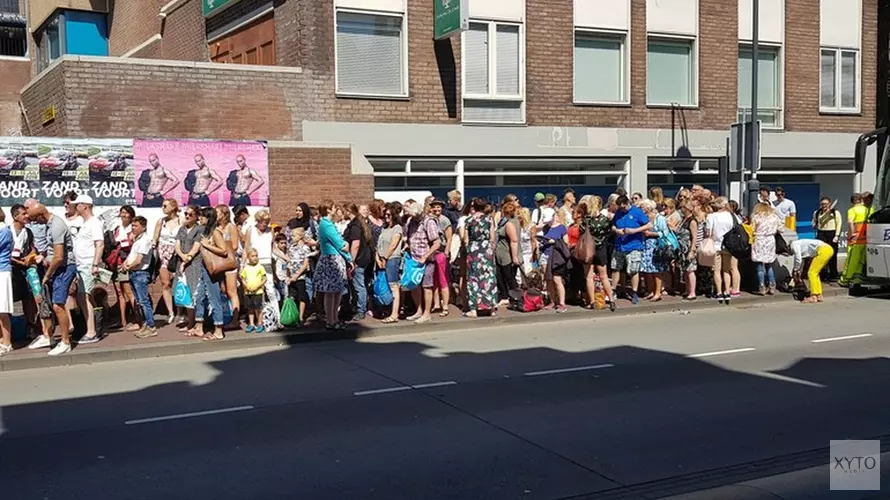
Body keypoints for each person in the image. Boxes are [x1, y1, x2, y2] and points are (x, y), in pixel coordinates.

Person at [26, 203, 77, 356]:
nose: (35, 222)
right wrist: (42, 257)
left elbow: (59, 257)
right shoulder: (50, 225)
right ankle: (49, 337)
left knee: (57, 305)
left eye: (35, 219)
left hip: (64, 268)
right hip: (56, 268)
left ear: (41, 215)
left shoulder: (56, 226)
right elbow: (52, 251)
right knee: (47, 303)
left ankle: (65, 341)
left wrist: (47, 275)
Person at [71, 194, 105, 344]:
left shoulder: (94, 223)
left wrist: (95, 264)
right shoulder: (86, 223)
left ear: (85, 206)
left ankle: (92, 331)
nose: (75, 207)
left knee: (85, 296)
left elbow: (100, 244)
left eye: (77, 204)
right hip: (81, 264)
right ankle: (90, 328)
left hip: (88, 264)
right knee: (83, 296)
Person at [314, 200, 352, 330]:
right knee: (331, 292)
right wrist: (349, 257)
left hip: (335, 258)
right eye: (334, 208)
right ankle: (331, 320)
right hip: (331, 259)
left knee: (337, 291)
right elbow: (340, 244)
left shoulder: (327, 224)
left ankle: (334, 319)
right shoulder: (326, 225)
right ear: (329, 210)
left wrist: (346, 251)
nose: (336, 210)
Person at [120, 216, 157, 338]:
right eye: (132, 226)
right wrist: (125, 264)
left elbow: (139, 260)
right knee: (139, 301)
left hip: (140, 273)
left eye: (136, 226)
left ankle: (151, 326)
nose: (133, 228)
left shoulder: (145, 240)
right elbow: (132, 256)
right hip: (134, 273)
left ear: (144, 227)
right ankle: (146, 325)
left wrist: (128, 267)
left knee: (143, 301)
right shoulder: (137, 240)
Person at [405, 201, 440, 324]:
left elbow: (437, 243)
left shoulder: (428, 222)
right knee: (414, 285)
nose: (412, 217)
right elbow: (407, 236)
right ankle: (418, 310)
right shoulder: (410, 221)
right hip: (413, 258)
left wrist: (425, 256)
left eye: (414, 215)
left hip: (426, 260)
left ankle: (427, 313)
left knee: (426, 286)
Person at [611, 194, 650, 305]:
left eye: (624, 207)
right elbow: (613, 225)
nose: (622, 209)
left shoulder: (637, 212)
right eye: (620, 208)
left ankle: (634, 292)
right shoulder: (618, 213)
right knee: (616, 268)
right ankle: (613, 290)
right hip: (619, 245)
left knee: (633, 270)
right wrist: (616, 230)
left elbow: (648, 225)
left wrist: (635, 230)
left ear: (628, 204)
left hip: (634, 245)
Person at [462, 198, 497, 317]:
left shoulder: (469, 220)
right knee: (489, 277)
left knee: (473, 278)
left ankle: (474, 309)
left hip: (474, 249)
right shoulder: (489, 219)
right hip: (486, 248)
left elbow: (465, 240)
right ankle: (491, 308)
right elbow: (492, 238)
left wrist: (469, 249)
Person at [706, 197, 740, 304]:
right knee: (727, 270)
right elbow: (739, 226)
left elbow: (708, 232)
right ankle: (727, 291)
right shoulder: (732, 216)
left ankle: (719, 292)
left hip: (716, 245)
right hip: (729, 246)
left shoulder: (712, 216)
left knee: (716, 271)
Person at [344, 204, 374, 321]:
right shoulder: (359, 223)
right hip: (363, 258)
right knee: (358, 284)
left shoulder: (355, 225)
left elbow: (355, 244)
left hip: (358, 260)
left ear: (348, 211)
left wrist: (352, 260)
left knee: (358, 285)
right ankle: (358, 307)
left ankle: (361, 310)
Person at [377, 204, 403, 323]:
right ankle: (387, 309)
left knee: (394, 286)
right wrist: (378, 258)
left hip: (392, 259)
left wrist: (385, 258)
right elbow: (379, 245)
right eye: (385, 214)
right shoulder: (384, 228)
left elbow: (394, 244)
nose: (386, 217)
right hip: (382, 259)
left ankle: (394, 314)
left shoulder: (397, 228)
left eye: (389, 215)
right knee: (385, 286)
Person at [751, 201, 782, 295]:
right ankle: (772, 285)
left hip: (759, 239)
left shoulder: (756, 217)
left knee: (759, 265)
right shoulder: (774, 217)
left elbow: (752, 230)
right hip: (770, 240)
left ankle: (761, 286)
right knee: (769, 264)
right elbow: (781, 229)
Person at [790, 239, 834, 304]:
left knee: (811, 273)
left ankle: (814, 296)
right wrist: (798, 269)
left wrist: (795, 269)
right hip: (828, 249)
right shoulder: (799, 243)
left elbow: (798, 259)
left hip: (823, 250)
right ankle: (819, 294)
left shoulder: (794, 245)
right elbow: (800, 260)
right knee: (815, 273)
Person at [840, 193, 869, 286]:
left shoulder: (852, 210)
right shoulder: (867, 209)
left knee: (851, 259)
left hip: (855, 239)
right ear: (860, 200)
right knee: (861, 260)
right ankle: (857, 278)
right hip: (865, 239)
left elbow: (850, 222)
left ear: (853, 201)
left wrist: (852, 234)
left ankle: (845, 279)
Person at [429, 199, 453, 316]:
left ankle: (445, 306)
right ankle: (436, 304)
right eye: (434, 207)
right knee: (434, 280)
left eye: (439, 207)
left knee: (442, 279)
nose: (436, 209)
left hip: (441, 252)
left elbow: (449, 238)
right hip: (432, 253)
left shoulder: (445, 220)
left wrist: (447, 252)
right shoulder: (430, 220)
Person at [812, 196, 841, 283]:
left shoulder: (835, 213)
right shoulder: (817, 212)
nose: (824, 205)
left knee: (832, 255)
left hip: (831, 234)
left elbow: (839, 224)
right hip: (821, 234)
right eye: (822, 204)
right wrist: (814, 224)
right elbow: (814, 223)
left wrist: (837, 235)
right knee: (820, 255)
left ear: (829, 204)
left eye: (826, 204)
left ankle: (833, 275)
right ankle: (822, 275)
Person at [287, 227, 312, 324]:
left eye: (294, 236)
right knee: (293, 295)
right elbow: (289, 260)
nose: (292, 237)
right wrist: (288, 275)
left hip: (300, 276)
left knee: (302, 295)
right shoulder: (292, 248)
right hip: (292, 275)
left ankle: (301, 316)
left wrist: (296, 275)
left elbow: (305, 264)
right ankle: (294, 315)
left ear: (300, 236)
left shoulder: (305, 248)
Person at [241, 249, 267, 333]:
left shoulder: (260, 267)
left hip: (258, 292)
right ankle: (251, 324)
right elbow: (243, 278)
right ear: (248, 257)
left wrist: (258, 286)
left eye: (256, 256)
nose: (255, 258)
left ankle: (260, 323)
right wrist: (246, 286)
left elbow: (264, 278)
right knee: (250, 308)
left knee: (258, 308)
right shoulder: (246, 268)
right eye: (253, 256)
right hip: (248, 292)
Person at [0, 212, 12, 357]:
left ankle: (8, 342)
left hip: (2, 271)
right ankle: (2, 338)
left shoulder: (5, 231)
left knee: (2, 309)